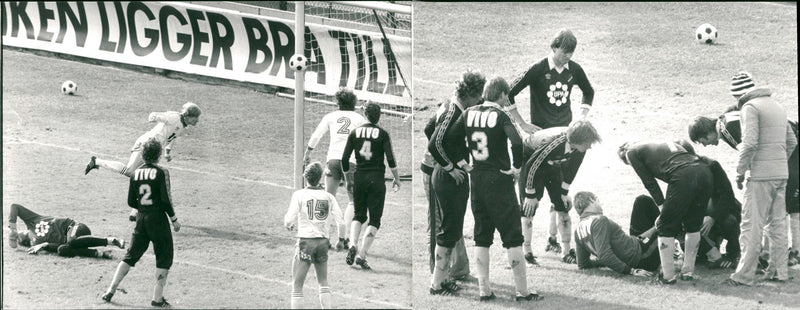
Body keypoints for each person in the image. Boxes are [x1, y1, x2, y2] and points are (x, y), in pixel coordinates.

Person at [446, 77, 542, 301]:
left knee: (482, 236)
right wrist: (516, 168)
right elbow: (517, 142)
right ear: (501, 95)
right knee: (512, 237)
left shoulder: (468, 113)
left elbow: (450, 138)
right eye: (505, 96)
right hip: (499, 179)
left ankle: (484, 289)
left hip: (477, 178)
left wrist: (463, 164)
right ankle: (522, 291)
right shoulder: (501, 114)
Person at [506, 29, 596, 254]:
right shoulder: (537, 69)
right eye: (565, 52)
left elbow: (588, 91)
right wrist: (522, 123)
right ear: (554, 47)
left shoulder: (574, 69)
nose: (568, 56)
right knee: (531, 197)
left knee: (560, 193)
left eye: (571, 53)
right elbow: (508, 91)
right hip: (541, 138)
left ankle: (553, 240)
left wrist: (581, 119)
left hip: (567, 137)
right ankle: (526, 250)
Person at [689, 106, 799, 266]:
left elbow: (750, 150)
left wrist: (746, 174)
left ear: (705, 133)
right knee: (794, 204)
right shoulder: (726, 119)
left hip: (790, 146)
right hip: (790, 141)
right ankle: (795, 251)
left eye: (702, 141)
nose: (705, 146)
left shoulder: (727, 129)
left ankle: (767, 255)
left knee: (773, 206)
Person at [726, 71, 797, 286]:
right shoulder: (777, 106)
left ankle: (743, 276)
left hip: (759, 176)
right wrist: (778, 162)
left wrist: (740, 171)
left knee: (751, 225)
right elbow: (792, 142)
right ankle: (779, 272)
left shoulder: (750, 108)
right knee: (777, 225)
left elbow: (749, 144)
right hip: (780, 174)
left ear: (739, 95)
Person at [86, 102, 201, 222]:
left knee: (145, 177)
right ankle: (96, 161)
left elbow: (172, 138)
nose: (197, 121)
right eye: (196, 117)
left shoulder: (183, 126)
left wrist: (167, 151)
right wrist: (153, 117)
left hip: (155, 150)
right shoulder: (174, 117)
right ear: (188, 115)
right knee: (130, 172)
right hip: (145, 145)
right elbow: (155, 115)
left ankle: (135, 212)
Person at [618, 140, 713, 284]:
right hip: (704, 172)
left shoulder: (631, 152)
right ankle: (688, 272)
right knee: (693, 225)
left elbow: (649, 182)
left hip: (683, 174)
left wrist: (662, 206)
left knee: (664, 226)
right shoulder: (658, 144)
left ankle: (667, 277)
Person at [425, 70, 485, 296]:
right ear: (470, 93)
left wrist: (457, 159)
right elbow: (434, 143)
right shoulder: (454, 111)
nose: (479, 100)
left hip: (445, 172)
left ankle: (441, 280)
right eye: (478, 95)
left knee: (451, 228)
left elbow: (429, 129)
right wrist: (451, 167)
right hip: (447, 176)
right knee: (448, 230)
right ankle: (437, 284)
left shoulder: (450, 105)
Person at [101, 139, 182, 307]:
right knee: (164, 257)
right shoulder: (161, 173)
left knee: (131, 255)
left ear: (143, 155)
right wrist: (174, 220)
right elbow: (166, 200)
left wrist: (143, 208)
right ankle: (157, 298)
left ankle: (110, 290)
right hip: (158, 220)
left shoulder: (136, 172)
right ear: (159, 154)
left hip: (141, 219)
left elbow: (131, 201)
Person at [519, 120, 602, 265]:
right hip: (530, 162)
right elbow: (532, 165)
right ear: (579, 140)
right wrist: (530, 194)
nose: (590, 146)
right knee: (529, 209)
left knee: (563, 206)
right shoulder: (554, 143)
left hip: (552, 164)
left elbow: (572, 168)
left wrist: (564, 191)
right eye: (588, 142)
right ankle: (526, 252)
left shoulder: (579, 148)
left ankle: (566, 251)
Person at [303, 89, 366, 251]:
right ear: (354, 103)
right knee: (353, 202)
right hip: (350, 162)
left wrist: (308, 152)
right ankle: (344, 238)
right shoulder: (359, 118)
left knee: (328, 199)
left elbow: (317, 135)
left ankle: (323, 238)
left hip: (332, 161)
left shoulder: (330, 117)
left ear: (338, 103)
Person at [341, 103, 401, 270]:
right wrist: (397, 178)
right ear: (379, 116)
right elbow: (390, 159)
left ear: (365, 114)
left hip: (359, 177)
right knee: (374, 219)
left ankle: (352, 244)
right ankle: (361, 255)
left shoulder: (354, 132)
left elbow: (344, 159)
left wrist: (347, 178)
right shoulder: (383, 134)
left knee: (358, 215)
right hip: (377, 179)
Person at [283, 162, 345, 309]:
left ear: (305, 177)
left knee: (297, 285)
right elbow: (341, 222)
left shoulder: (299, 194)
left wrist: (289, 225)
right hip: (323, 242)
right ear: (321, 177)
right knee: (323, 281)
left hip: (305, 242)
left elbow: (288, 219)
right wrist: (341, 240)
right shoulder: (329, 196)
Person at [573, 192, 660, 276]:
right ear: (591, 200)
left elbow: (583, 264)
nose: (600, 204)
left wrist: (608, 262)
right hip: (643, 256)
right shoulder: (599, 220)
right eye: (597, 201)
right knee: (664, 221)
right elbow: (604, 255)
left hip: (636, 247)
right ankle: (671, 245)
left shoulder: (578, 230)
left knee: (642, 201)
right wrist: (630, 270)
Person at [7, 203, 125, 258]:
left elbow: (15, 206)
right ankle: (100, 254)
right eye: (18, 239)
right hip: (71, 241)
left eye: (17, 235)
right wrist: (44, 245)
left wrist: (12, 227)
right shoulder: (35, 243)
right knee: (62, 249)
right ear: (25, 243)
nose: (18, 236)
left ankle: (111, 240)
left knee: (72, 241)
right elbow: (56, 247)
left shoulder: (31, 221)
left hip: (74, 227)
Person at [421, 150, 471, 280]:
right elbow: (430, 133)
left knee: (455, 216)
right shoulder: (442, 129)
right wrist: (449, 167)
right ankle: (438, 273)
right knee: (437, 221)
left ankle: (459, 268)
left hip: (453, 170)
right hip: (437, 170)